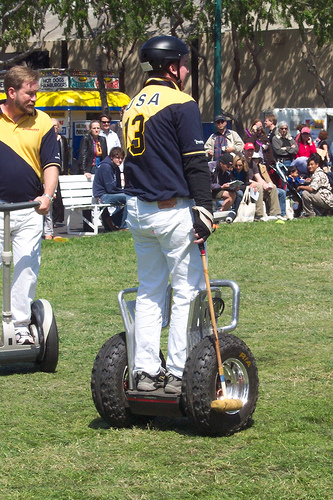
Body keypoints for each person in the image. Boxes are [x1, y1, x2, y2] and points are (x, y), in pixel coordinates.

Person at [123, 35, 213, 394]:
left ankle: (145, 372)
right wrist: (204, 207)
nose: (188, 70)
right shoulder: (181, 102)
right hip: (170, 209)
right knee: (186, 291)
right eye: (185, 63)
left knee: (149, 291)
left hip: (138, 210)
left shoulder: (132, 104)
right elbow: (195, 162)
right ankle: (177, 372)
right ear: (171, 66)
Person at [0, 65, 60, 345]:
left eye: (37, 93)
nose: (35, 98)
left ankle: (20, 326)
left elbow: (51, 164)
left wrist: (47, 195)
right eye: (30, 93)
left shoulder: (44, 122)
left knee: (25, 268)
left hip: (28, 209)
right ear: (11, 92)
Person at [243, 142, 282, 220]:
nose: (250, 153)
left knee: (273, 187)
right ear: (244, 151)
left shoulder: (253, 164)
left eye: (252, 150)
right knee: (259, 187)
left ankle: (275, 213)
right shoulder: (242, 162)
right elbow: (246, 179)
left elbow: (258, 177)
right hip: (244, 185)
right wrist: (261, 184)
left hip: (253, 183)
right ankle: (259, 215)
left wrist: (266, 184)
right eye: (248, 150)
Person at [92, 146, 127, 230]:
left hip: (110, 193)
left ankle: (114, 219)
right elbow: (110, 188)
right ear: (111, 157)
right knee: (129, 198)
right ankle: (123, 226)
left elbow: (117, 186)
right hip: (102, 196)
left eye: (122, 158)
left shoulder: (116, 168)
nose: (120, 160)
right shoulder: (106, 167)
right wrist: (125, 192)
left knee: (131, 198)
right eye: (117, 158)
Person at [297, 153, 333, 217]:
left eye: (312, 164)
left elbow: (311, 189)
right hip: (324, 197)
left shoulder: (318, 174)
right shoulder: (315, 173)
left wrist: (300, 187)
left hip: (326, 199)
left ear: (317, 165)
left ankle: (309, 214)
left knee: (306, 194)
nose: (310, 166)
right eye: (308, 165)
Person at [51, 118, 69, 226]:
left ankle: (58, 218)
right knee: (52, 194)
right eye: (52, 126)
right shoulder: (47, 138)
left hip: (61, 170)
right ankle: (51, 219)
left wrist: (66, 170)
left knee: (60, 196)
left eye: (55, 125)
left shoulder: (62, 139)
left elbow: (66, 155)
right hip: (50, 170)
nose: (54, 128)